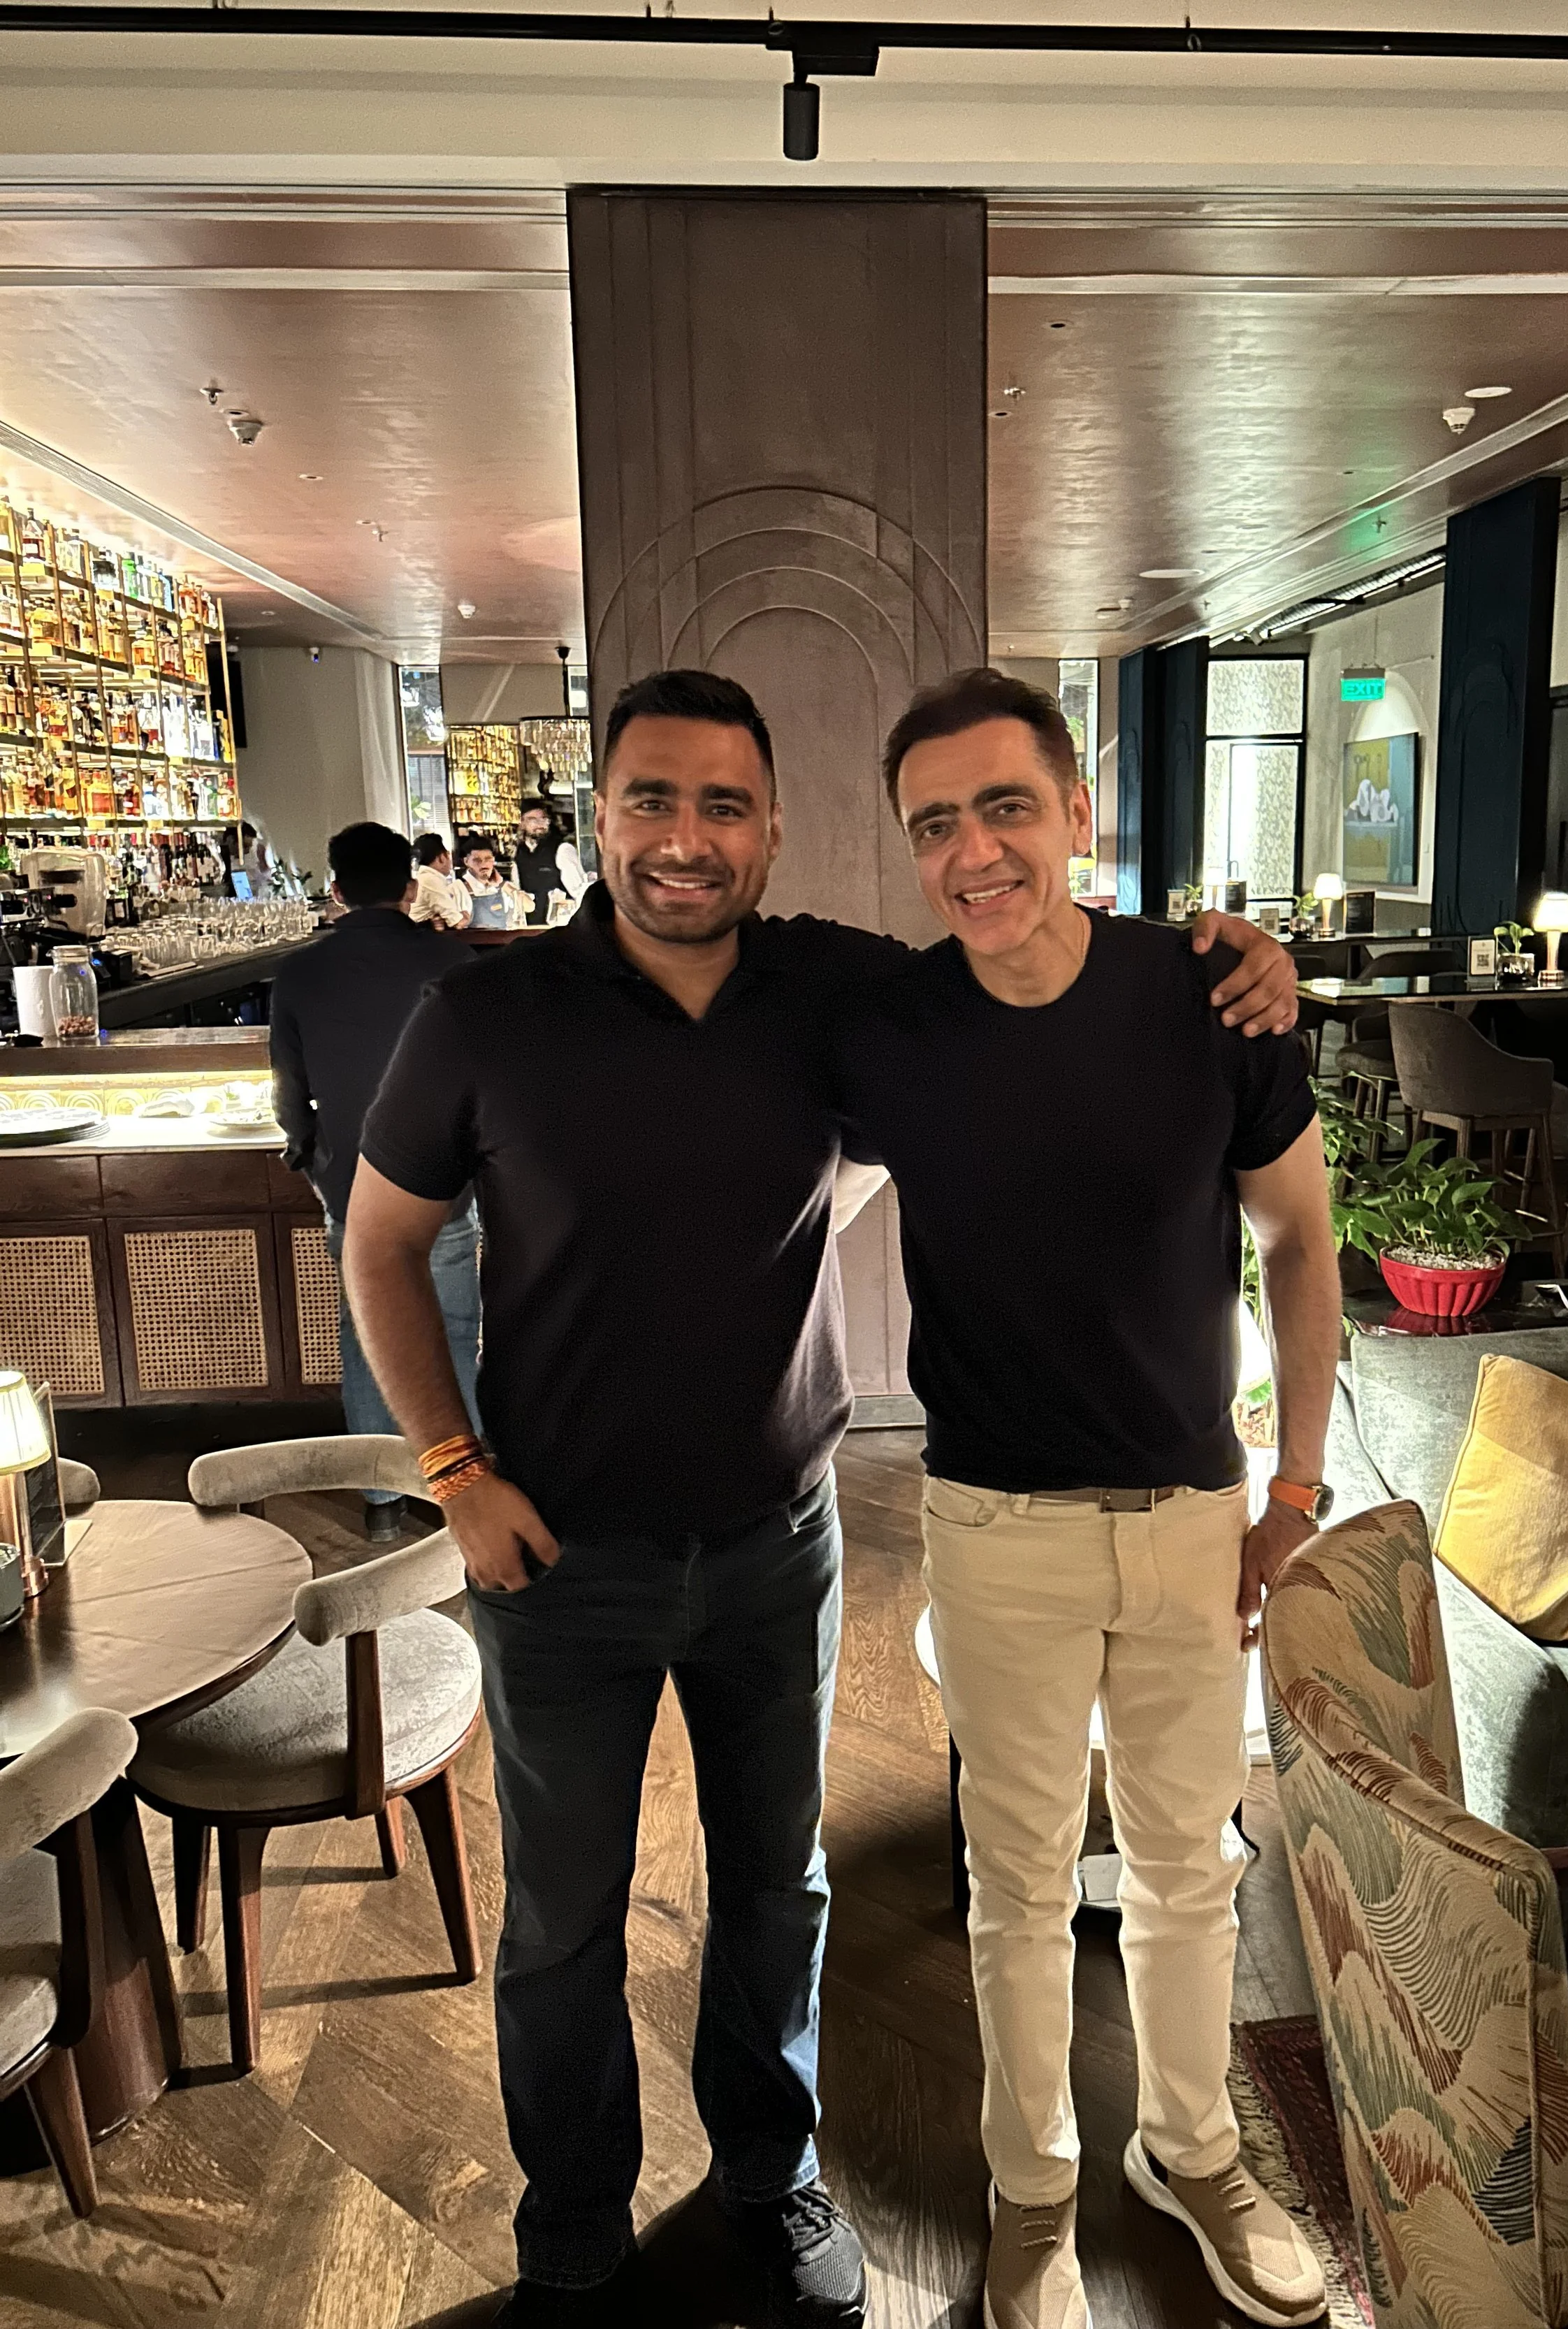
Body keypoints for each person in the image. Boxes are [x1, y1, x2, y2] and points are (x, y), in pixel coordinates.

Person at [339, 671, 1298, 2328]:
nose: (686, 837)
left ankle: (768, 2175)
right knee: (562, 1919)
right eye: (652, 799)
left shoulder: (835, 995)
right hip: (559, 1558)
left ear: (774, 829)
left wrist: (1223, 955)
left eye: (724, 805)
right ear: (596, 817)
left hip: (779, 1542)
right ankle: (573, 2225)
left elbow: (1033, 961)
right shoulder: (483, 1015)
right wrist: (453, 1469)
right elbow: (378, 1243)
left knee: (778, 1892)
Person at [833, 669, 1341, 2329]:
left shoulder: (1204, 996)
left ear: (1074, 813)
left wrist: (1297, 1482)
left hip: (1194, 1510)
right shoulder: (891, 1030)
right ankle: (1032, 2190)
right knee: (1019, 1884)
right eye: (934, 825)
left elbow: (1300, 1240)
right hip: (994, 1525)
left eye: (1003, 807)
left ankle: (1194, 2153)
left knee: (1192, 1862)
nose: (972, 852)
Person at [269, 820, 482, 1544]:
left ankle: (380, 1497)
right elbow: (483, 1083)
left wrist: (309, 1156)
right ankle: (462, 1490)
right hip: (444, 1183)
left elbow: (289, 1092)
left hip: (353, 1185)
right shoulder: (454, 962)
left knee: (366, 1335)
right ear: (411, 887)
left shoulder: (300, 974)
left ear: (335, 890)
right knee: (455, 1332)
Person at [513, 796, 589, 925]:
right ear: (522, 822)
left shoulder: (563, 849)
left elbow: (579, 892)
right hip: (530, 928)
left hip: (560, 928)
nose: (540, 824)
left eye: (544, 819)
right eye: (533, 820)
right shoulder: (519, 853)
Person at [459, 834, 530, 931]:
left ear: (493, 860)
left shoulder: (504, 887)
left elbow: (529, 907)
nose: (484, 864)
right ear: (466, 861)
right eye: (477, 860)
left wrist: (504, 886)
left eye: (488, 859)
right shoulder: (458, 890)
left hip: (503, 939)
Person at [410, 832, 472, 931]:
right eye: (448, 855)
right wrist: (465, 917)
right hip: (420, 935)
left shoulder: (426, 877)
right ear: (442, 858)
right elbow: (457, 922)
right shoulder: (431, 880)